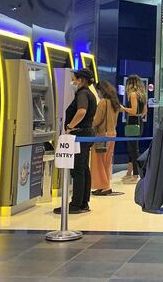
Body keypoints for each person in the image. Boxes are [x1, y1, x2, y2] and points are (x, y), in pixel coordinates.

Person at [55, 68, 97, 215]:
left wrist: (70, 126)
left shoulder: (83, 93)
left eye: (75, 79)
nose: (73, 82)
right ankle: (83, 202)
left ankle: (76, 204)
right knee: (84, 168)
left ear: (81, 80)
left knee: (77, 169)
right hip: (87, 133)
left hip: (80, 133)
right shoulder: (90, 93)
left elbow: (81, 111)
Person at [91, 80, 122, 196]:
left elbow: (97, 120)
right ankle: (105, 185)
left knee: (98, 162)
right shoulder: (115, 103)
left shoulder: (103, 102)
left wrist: (90, 124)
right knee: (107, 161)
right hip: (112, 134)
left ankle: (104, 187)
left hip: (102, 135)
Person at [120, 75, 146, 183]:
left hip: (132, 122)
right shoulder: (142, 95)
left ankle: (135, 174)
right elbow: (144, 112)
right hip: (139, 122)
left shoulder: (133, 95)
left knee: (133, 149)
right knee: (133, 148)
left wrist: (123, 108)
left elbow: (133, 111)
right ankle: (130, 172)